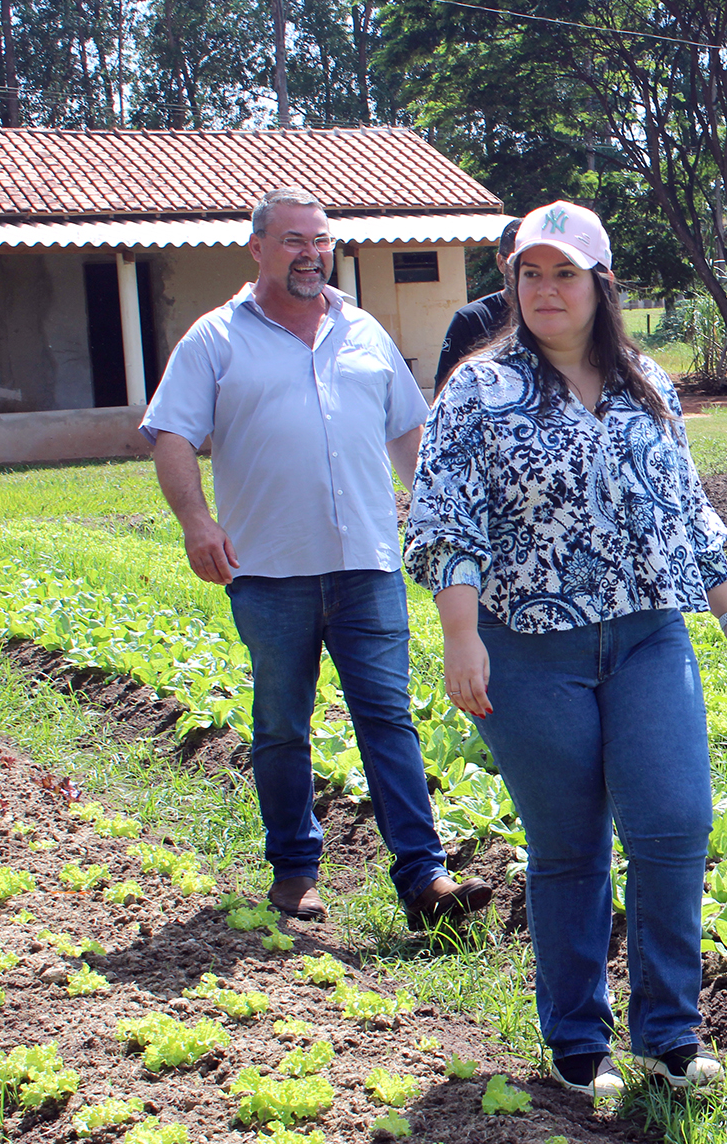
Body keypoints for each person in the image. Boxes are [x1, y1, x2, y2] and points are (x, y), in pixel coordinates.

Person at [405, 200, 727, 1100]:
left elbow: (684, 506)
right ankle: (577, 1038)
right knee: (569, 843)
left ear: (602, 284)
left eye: (563, 272)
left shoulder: (649, 383)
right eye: (529, 273)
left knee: (676, 820)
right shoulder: (478, 391)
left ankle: (669, 1032)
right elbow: (445, 520)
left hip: (650, 634)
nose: (543, 289)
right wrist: (461, 637)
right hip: (530, 649)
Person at [141, 187, 492, 931]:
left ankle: (423, 878)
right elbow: (172, 433)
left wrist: (444, 514)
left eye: (321, 240)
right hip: (268, 571)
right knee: (281, 724)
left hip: (366, 564)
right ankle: (295, 870)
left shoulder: (363, 331)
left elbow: (409, 438)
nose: (311, 253)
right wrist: (196, 519)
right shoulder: (215, 338)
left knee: (388, 720)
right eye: (295, 239)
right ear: (258, 247)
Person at [433, 218, 522, 391]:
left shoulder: (555, 317)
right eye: (519, 263)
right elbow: (444, 390)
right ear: (501, 263)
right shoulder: (471, 320)